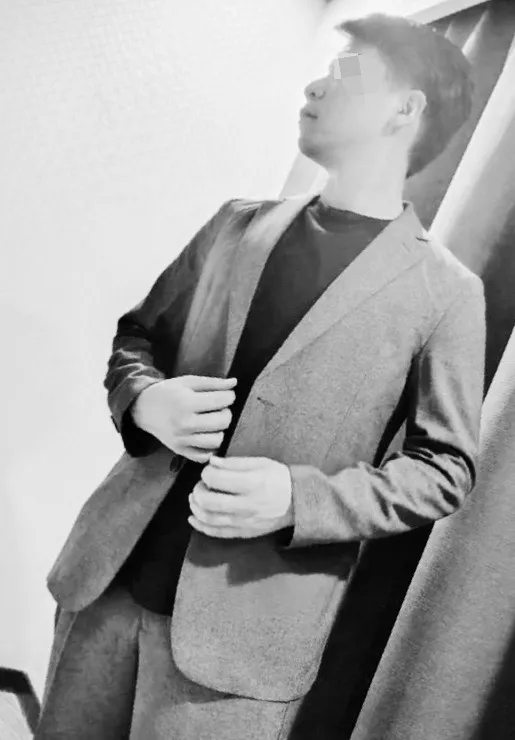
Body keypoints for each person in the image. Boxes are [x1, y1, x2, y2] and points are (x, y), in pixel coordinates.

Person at [35, 13, 486, 740]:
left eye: (344, 73)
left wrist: (299, 500)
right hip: (105, 580)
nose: (314, 85)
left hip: (243, 639)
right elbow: (136, 338)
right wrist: (144, 401)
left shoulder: (446, 293)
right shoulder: (234, 224)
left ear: (404, 110)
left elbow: (444, 470)